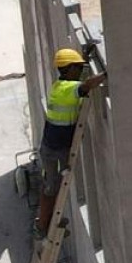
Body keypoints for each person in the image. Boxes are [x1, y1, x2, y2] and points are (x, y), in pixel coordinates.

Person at [34, 46, 107, 235]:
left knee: (52, 185)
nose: (81, 70)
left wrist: (83, 57)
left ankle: (47, 222)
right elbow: (86, 85)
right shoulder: (68, 89)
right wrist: (108, 72)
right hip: (55, 148)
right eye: (78, 67)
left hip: (52, 145)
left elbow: (78, 82)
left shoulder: (60, 85)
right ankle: (43, 227)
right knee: (51, 187)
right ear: (69, 69)